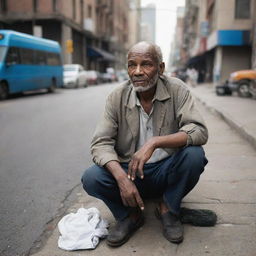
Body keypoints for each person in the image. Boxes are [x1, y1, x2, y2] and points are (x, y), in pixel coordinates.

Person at [81, 41, 208, 247]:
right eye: (132, 65)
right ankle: (130, 215)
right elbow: (100, 143)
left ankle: (167, 208)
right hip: (130, 172)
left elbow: (199, 130)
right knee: (91, 177)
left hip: (166, 170)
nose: (138, 72)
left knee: (194, 155)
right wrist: (121, 178)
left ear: (161, 68)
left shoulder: (177, 90)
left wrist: (155, 142)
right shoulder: (116, 97)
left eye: (146, 64)